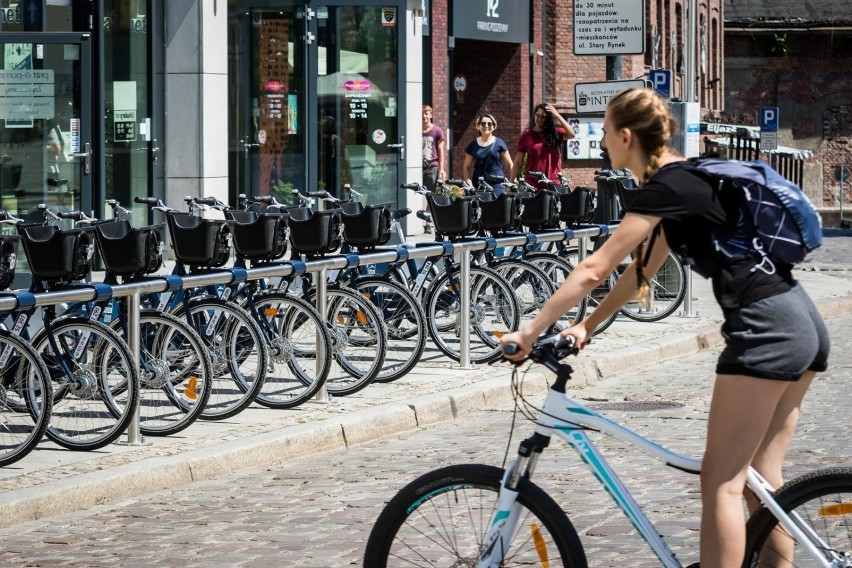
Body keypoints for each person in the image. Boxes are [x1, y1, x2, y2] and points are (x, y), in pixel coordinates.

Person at [500, 88, 830, 568]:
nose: (603, 147)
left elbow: (595, 268)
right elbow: (637, 273)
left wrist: (529, 331)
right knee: (763, 480)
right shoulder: (685, 183)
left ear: (626, 136)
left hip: (767, 330)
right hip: (801, 320)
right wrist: (586, 325)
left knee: (721, 481)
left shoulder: (666, 189)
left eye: (607, 136)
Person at [509, 103, 575, 190]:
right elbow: (518, 162)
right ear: (534, 115)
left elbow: (572, 134)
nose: (539, 119)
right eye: (538, 115)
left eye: (543, 117)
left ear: (548, 119)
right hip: (532, 184)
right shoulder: (526, 136)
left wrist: (557, 115)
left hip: (553, 183)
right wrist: (511, 183)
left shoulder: (555, 133)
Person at [462, 113, 513, 195]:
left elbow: (509, 165)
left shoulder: (499, 143)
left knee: (497, 207)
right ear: (478, 126)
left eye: (489, 124)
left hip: (497, 184)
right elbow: (466, 167)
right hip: (478, 185)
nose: (486, 126)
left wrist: (511, 183)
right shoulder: (473, 144)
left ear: (494, 126)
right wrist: (469, 184)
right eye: (483, 123)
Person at [422, 105, 446, 233]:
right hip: (417, 167)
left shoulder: (437, 131)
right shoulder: (415, 130)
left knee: (429, 195)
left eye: (427, 113)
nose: (424, 116)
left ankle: (428, 223)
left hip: (432, 166)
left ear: (431, 115)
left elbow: (441, 151)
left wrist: (442, 169)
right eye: (422, 114)